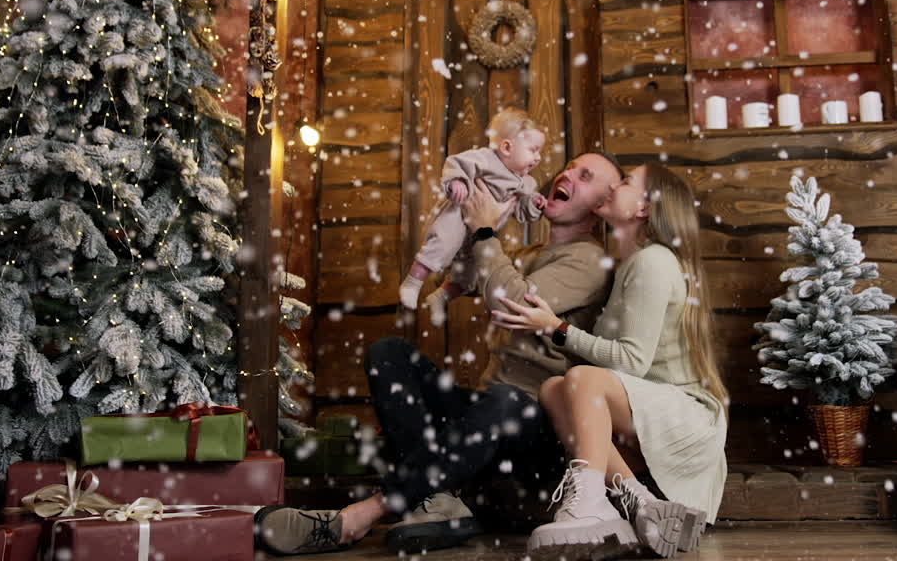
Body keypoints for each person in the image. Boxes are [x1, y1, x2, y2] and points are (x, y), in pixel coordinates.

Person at [253, 151, 624, 556]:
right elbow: (472, 275)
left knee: (505, 401)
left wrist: (485, 233)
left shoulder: (591, 261)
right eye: (571, 166)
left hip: (539, 434)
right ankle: (439, 501)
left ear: (601, 207)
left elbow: (511, 302)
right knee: (390, 353)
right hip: (487, 416)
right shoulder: (532, 254)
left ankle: (363, 514)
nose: (567, 173)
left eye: (584, 176)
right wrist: (454, 228)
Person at [492, 162, 730, 558]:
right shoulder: (629, 266)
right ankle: (641, 502)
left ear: (644, 209)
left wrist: (557, 329)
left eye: (625, 183)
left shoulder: (653, 261)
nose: (614, 188)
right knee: (554, 389)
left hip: (687, 420)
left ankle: (588, 500)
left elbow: (630, 363)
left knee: (584, 379)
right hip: (648, 415)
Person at [397, 107, 548, 325]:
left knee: (469, 276)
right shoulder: (485, 159)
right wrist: (456, 182)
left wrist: (534, 204)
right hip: (458, 216)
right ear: (507, 147)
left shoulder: (527, 183)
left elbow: (522, 213)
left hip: (478, 234)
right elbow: (456, 164)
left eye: (539, 152)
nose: (538, 157)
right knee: (441, 245)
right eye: (533, 150)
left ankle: (440, 297)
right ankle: (412, 283)